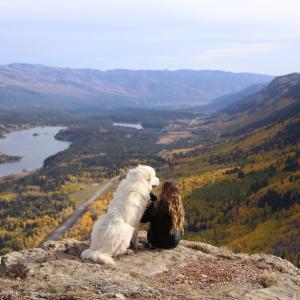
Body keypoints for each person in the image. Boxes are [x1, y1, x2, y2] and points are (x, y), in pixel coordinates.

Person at [141, 180, 185, 249]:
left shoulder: (156, 204)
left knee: (150, 230)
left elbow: (143, 220)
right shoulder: (178, 204)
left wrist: (145, 207)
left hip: (156, 242)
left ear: (163, 190)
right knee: (176, 232)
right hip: (173, 243)